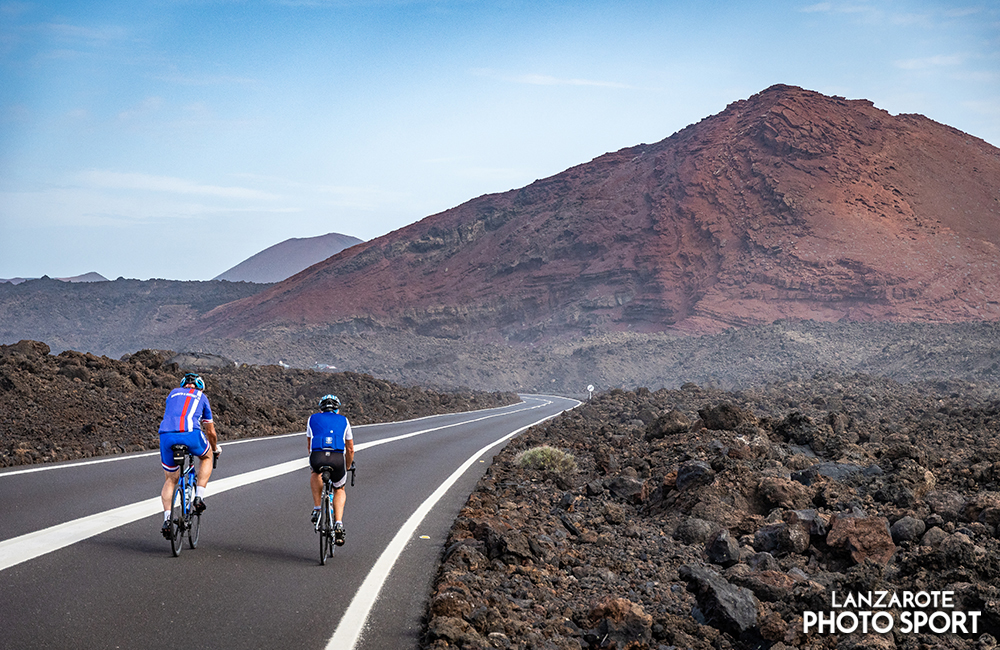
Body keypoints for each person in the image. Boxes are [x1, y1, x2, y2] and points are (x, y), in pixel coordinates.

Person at [158, 372, 220, 538]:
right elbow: (211, 431)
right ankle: (199, 497)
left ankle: (167, 519)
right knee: (207, 457)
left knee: (171, 479)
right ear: (200, 387)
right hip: (191, 434)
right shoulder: (202, 397)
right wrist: (214, 449)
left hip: (166, 435)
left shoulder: (172, 393)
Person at [307, 394, 354, 546]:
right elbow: (350, 448)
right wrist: (347, 466)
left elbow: (310, 446)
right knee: (339, 488)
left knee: (315, 473)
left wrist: (315, 464)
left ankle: (317, 508)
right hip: (337, 459)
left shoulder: (312, 419)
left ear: (321, 409)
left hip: (318, 456)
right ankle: (338, 523)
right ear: (337, 409)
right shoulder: (344, 420)